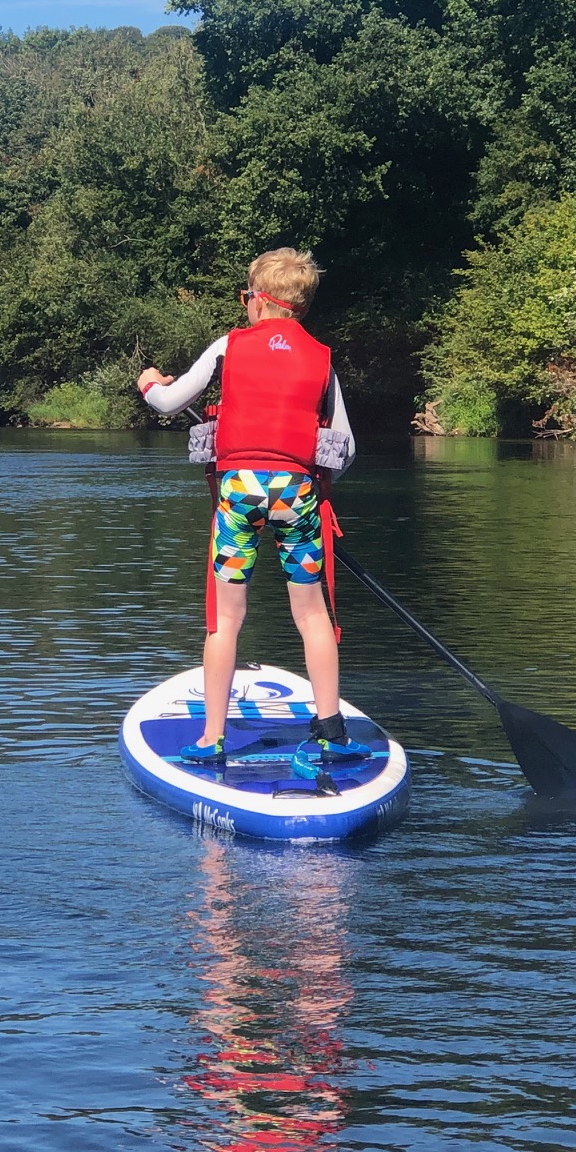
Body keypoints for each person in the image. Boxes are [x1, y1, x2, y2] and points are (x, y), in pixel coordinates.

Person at [138, 247, 368, 770]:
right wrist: (309, 488)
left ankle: (211, 739)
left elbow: (167, 403)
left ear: (259, 301)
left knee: (225, 620)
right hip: (297, 495)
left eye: (246, 297)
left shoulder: (228, 346)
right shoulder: (323, 360)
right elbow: (346, 448)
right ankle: (332, 732)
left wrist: (150, 381)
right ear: (299, 308)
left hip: (239, 494)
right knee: (313, 616)